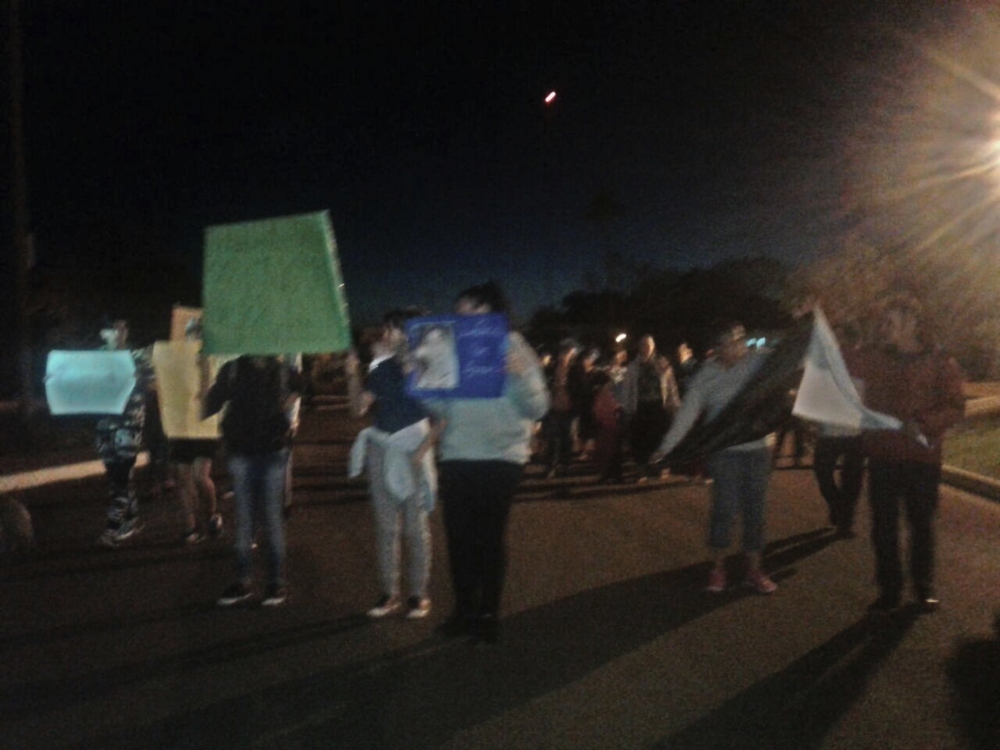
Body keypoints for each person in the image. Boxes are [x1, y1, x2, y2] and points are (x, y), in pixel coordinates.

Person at [422, 281, 549, 643]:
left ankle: (489, 613)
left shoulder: (516, 347)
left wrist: (521, 376)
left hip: (501, 458)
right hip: (458, 455)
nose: (462, 320)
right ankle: (463, 610)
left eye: (471, 313)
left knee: (489, 539)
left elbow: (538, 407)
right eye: (458, 314)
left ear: (492, 313)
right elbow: (441, 410)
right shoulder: (449, 353)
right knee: (459, 540)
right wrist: (423, 384)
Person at [845, 294, 964, 614]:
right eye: (882, 322)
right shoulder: (873, 357)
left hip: (921, 458)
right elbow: (837, 364)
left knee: (921, 525)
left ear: (912, 323)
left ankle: (923, 588)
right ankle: (889, 590)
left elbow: (955, 406)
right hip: (882, 455)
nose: (884, 328)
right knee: (883, 525)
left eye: (890, 322)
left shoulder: (940, 361)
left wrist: (923, 424)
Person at [651, 322, 778, 595]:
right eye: (729, 343)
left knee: (755, 511)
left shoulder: (760, 362)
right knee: (724, 508)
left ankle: (754, 571)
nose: (737, 347)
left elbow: (793, 361)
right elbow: (688, 412)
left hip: (758, 449)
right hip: (724, 452)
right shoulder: (706, 375)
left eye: (740, 340)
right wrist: (667, 446)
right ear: (717, 348)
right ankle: (718, 569)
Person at [346, 309, 438, 620]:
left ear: (408, 333)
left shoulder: (426, 366)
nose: (385, 336)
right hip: (381, 448)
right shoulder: (381, 368)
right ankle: (389, 593)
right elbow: (359, 408)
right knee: (386, 527)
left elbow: (444, 415)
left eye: (391, 330)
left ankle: (418, 593)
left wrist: (423, 450)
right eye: (386, 330)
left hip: (414, 448)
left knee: (415, 527)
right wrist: (352, 373)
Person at [204, 355, 305, 607]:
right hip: (240, 453)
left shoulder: (282, 370)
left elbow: (302, 383)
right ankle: (243, 580)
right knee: (244, 519)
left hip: (273, 451)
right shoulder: (233, 369)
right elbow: (210, 405)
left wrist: (288, 402)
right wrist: (203, 374)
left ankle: (275, 582)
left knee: (272, 518)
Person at [96, 319, 154, 548]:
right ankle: (132, 519)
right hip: (104, 423)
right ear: (104, 333)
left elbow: (152, 385)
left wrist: (134, 377)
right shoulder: (96, 357)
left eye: (123, 328)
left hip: (129, 422)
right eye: (114, 328)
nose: (119, 332)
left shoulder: (138, 356)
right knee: (116, 474)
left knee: (121, 473)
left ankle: (112, 528)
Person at [169, 321, 222, 545]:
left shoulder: (213, 358)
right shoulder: (177, 359)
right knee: (183, 478)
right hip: (181, 425)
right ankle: (190, 527)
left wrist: (204, 370)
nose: (195, 337)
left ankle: (211, 515)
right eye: (191, 333)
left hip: (204, 425)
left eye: (199, 333)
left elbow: (210, 395)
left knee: (200, 477)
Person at [621, 335, 681, 481]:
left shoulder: (662, 364)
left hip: (658, 406)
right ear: (639, 347)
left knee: (659, 438)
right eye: (643, 345)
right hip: (640, 406)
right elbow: (627, 389)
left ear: (653, 347)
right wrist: (627, 408)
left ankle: (660, 467)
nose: (646, 348)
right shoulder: (633, 367)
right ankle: (641, 469)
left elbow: (671, 386)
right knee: (640, 439)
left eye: (648, 345)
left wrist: (674, 405)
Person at [590, 370, 624, 483]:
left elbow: (597, 410)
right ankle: (614, 474)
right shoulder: (610, 393)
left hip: (606, 426)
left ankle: (609, 474)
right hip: (612, 425)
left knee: (608, 452)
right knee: (613, 452)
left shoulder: (601, 394)